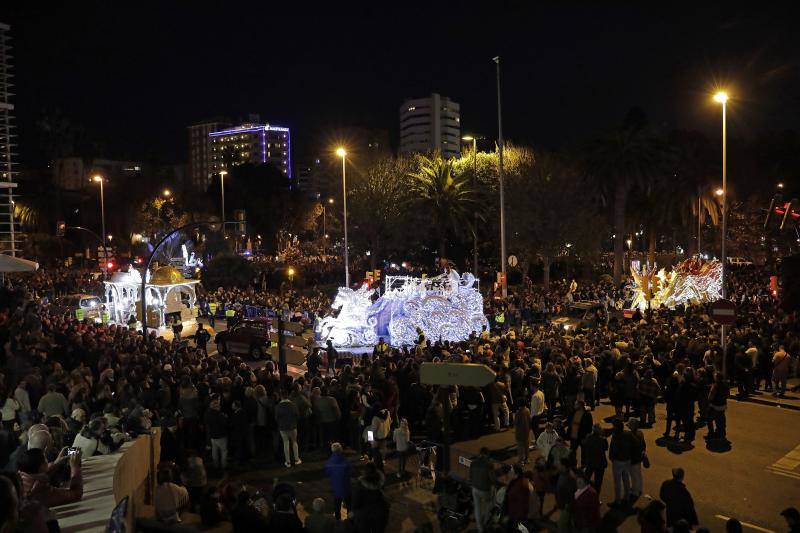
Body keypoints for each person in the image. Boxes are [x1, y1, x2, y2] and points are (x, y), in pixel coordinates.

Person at [18, 447, 83, 508]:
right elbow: (75, 494)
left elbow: (41, 476)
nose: (47, 460)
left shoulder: (21, 478)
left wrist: (56, 464)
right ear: (41, 466)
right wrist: (75, 467)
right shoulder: (39, 490)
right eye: (45, 459)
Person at [351, 463, 389, 533]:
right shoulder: (380, 483)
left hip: (364, 516)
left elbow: (355, 503)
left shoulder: (360, 486)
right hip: (379, 514)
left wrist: (353, 513)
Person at [469, 447, 495, 533]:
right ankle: (486, 521)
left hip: (475, 488)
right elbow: (492, 479)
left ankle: (480, 528)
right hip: (485, 489)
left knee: (477, 508)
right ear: (487, 454)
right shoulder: (489, 464)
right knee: (490, 503)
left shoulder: (473, 462)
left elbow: (470, 475)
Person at [324, 442, 352, 520]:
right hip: (346, 487)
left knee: (337, 507)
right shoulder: (346, 462)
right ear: (341, 450)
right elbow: (351, 472)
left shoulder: (329, 462)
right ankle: (350, 522)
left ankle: (337, 522)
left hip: (336, 488)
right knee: (349, 506)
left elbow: (327, 473)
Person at [609, 418, 632, 508]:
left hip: (618, 461)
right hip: (627, 460)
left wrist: (612, 457)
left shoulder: (616, 436)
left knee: (617, 482)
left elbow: (614, 449)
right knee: (626, 479)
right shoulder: (628, 434)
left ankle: (617, 500)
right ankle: (627, 497)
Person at [276, 390, 301, 467]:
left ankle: (288, 462)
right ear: (288, 396)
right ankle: (297, 459)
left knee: (285, 443)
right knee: (294, 442)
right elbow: (297, 415)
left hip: (283, 427)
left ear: (281, 397)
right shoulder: (293, 405)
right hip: (292, 426)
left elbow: (276, 418)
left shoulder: (278, 406)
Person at [581, 423, 608, 493]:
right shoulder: (602, 440)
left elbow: (584, 444)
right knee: (598, 482)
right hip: (600, 464)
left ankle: (583, 495)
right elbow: (605, 448)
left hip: (590, 462)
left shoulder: (588, 437)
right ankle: (596, 498)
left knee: (585, 479)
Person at [204, 394, 229, 471]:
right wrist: (225, 417)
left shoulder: (207, 413)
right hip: (221, 436)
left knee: (214, 452)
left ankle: (216, 465)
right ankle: (223, 466)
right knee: (224, 451)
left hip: (212, 436)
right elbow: (225, 423)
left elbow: (206, 423)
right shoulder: (219, 415)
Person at [505, 464, 531, 529]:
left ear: (516, 474)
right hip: (512, 513)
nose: (509, 473)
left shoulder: (520, 486)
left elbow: (522, 503)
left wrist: (518, 519)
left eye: (511, 472)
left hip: (517, 517)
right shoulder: (514, 482)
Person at [628, 418, 646, 502]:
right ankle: (639, 489)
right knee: (638, 474)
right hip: (639, 457)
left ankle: (635, 492)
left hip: (633, 459)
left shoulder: (630, 435)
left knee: (634, 476)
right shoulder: (640, 433)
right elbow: (643, 445)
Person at [707, 371, 729, 441]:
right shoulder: (726, 385)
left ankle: (711, 433)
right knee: (721, 420)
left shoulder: (715, 386)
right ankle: (721, 434)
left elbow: (710, 397)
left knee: (709, 419)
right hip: (723, 405)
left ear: (717, 378)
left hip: (715, 406)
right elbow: (728, 395)